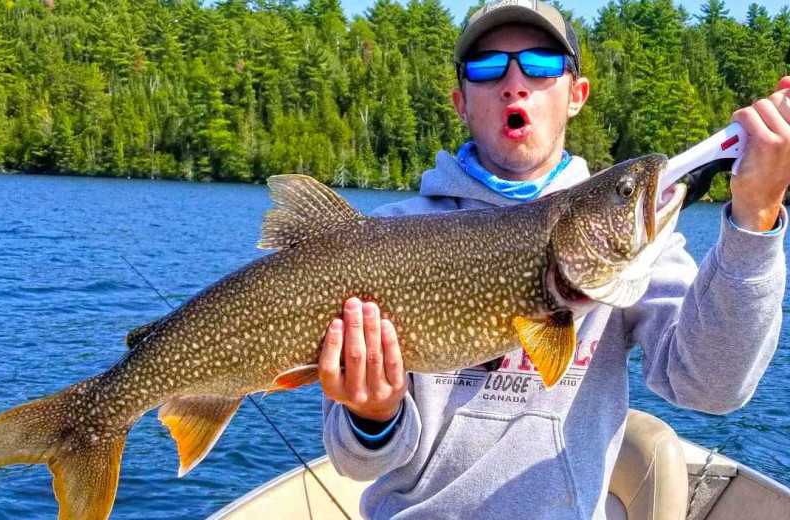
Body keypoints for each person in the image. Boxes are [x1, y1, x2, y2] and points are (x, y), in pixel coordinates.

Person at [320, 1, 789, 518]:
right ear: (460, 102)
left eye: (541, 64)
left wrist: (756, 217)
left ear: (576, 95)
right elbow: (356, 464)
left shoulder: (638, 254)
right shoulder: (386, 238)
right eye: (487, 67)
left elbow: (711, 386)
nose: (514, 84)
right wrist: (373, 414)